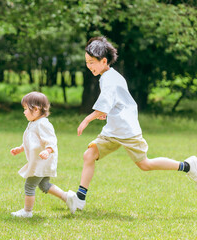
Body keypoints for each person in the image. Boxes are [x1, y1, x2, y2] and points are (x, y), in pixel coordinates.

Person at [68, 36, 197, 213]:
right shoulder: (108, 76)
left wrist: (86, 119)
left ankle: (188, 166)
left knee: (145, 164)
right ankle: (80, 200)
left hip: (127, 131)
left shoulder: (110, 79)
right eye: (87, 62)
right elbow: (114, 102)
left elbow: (105, 103)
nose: (89, 66)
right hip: (113, 130)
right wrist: (105, 112)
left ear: (103, 61)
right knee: (89, 154)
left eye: (92, 62)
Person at [10, 91, 76, 218]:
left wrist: (48, 150)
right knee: (44, 185)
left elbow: (51, 140)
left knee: (29, 185)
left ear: (35, 109)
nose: (24, 112)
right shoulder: (33, 123)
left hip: (41, 161)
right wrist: (20, 148)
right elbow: (32, 141)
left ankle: (27, 211)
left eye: (25, 109)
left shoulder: (43, 124)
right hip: (41, 161)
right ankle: (67, 197)